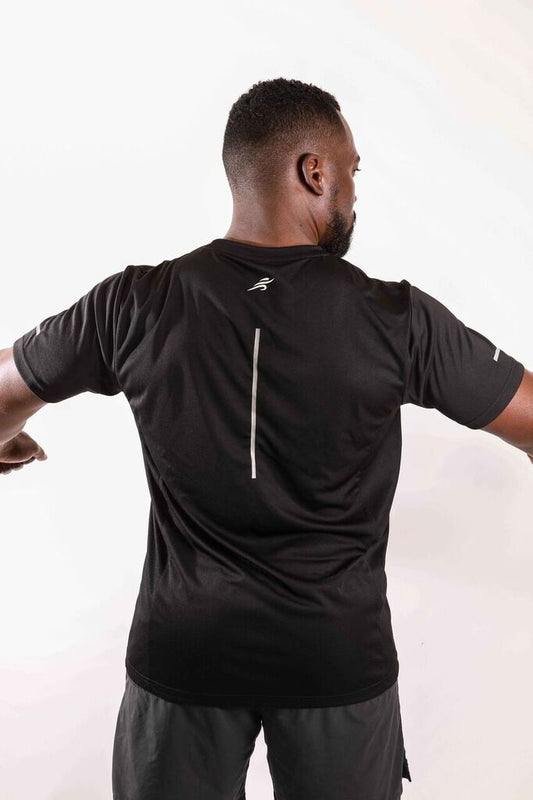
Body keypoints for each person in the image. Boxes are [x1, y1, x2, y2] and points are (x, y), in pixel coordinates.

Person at [0, 77, 531, 800]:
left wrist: (8, 436)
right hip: (334, 665)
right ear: (314, 172)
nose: (354, 193)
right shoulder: (397, 320)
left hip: (184, 657)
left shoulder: (132, 303)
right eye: (350, 171)